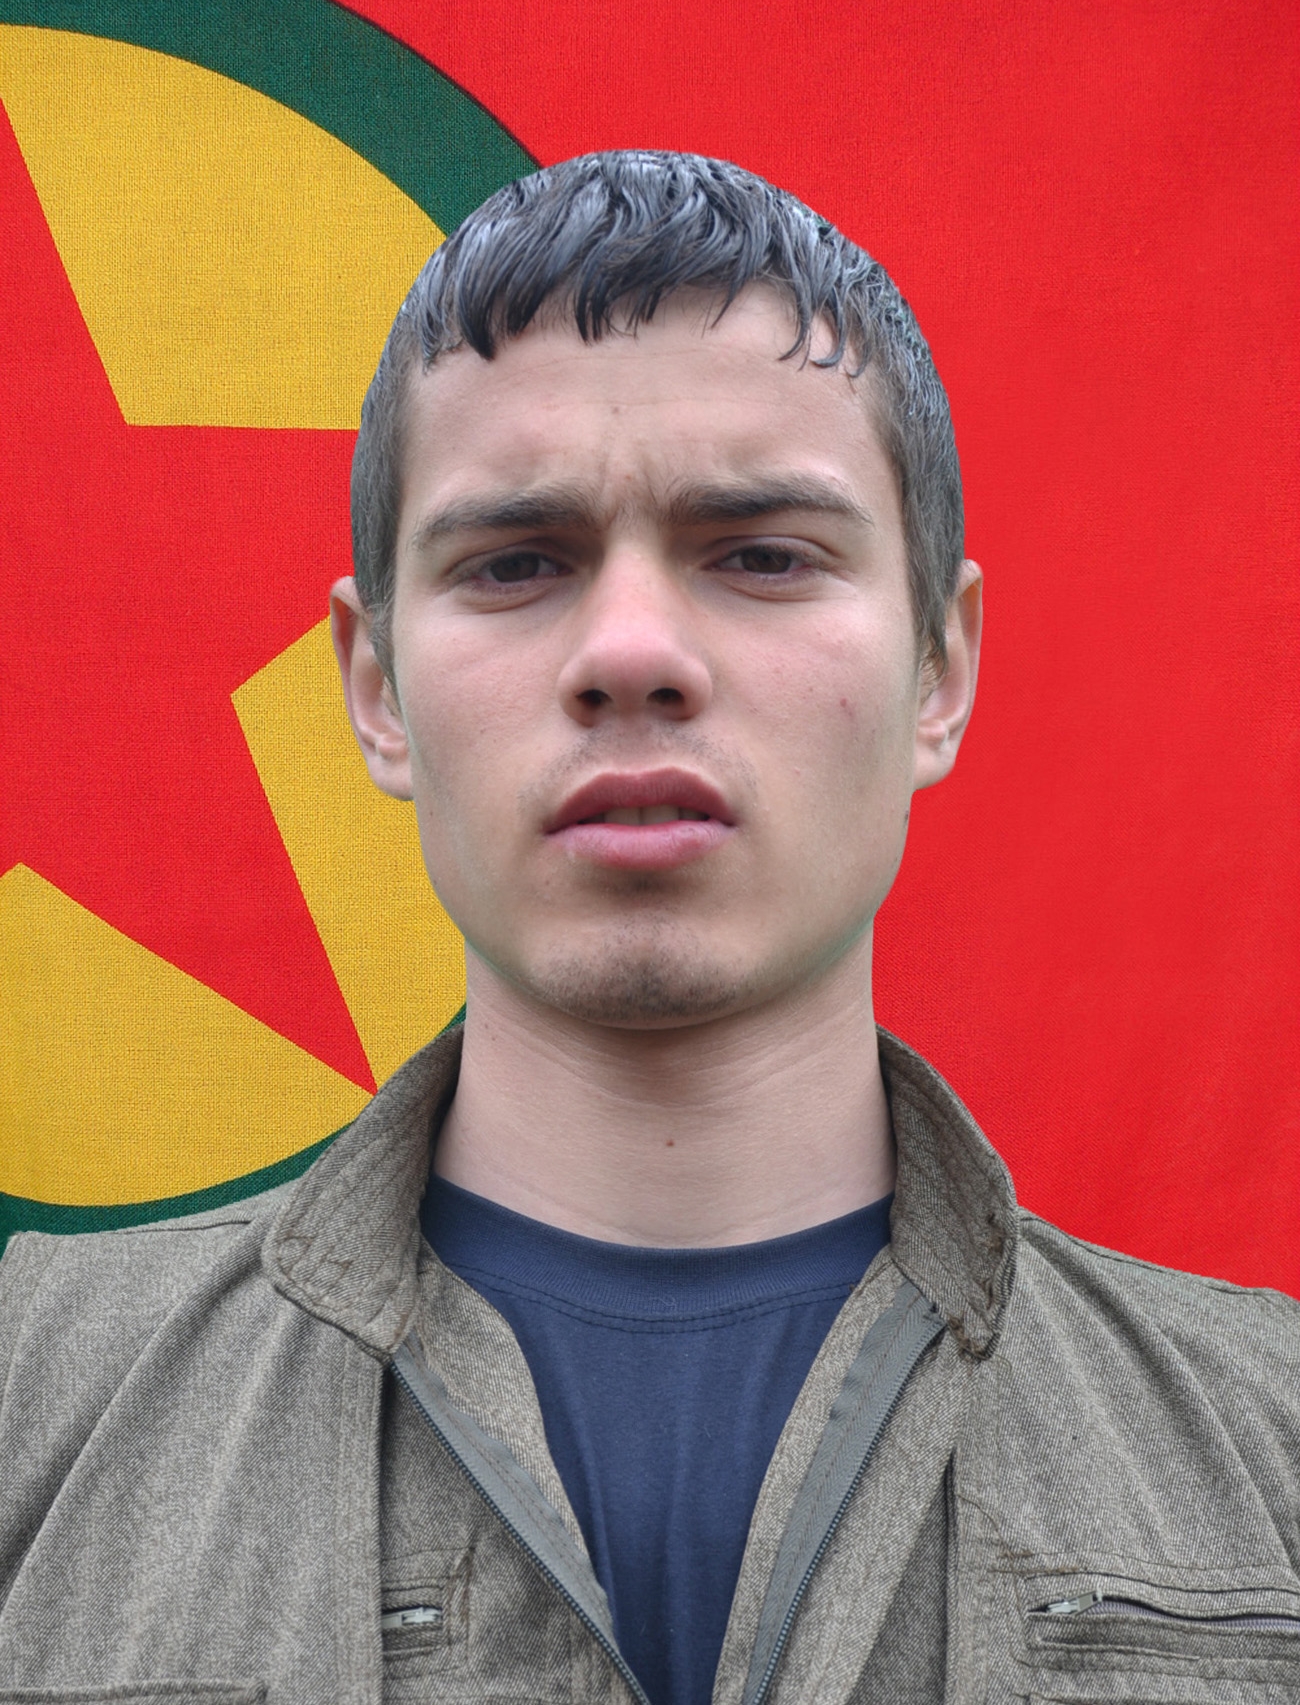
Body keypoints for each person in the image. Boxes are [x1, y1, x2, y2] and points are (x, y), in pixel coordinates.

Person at [1, 151, 1297, 1705]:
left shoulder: (1273, 1445)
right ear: (376, 687)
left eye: (762, 553)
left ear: (940, 668)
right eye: (516, 562)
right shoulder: (31, 1411)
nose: (630, 649)